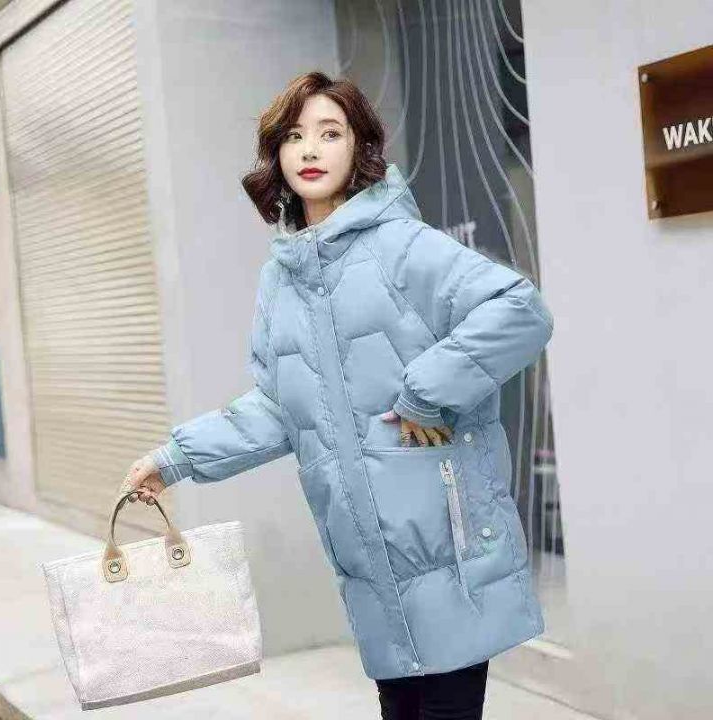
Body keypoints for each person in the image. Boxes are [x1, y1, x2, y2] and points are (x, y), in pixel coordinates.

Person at [121, 71, 553, 719]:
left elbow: (519, 310)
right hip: (371, 570)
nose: (311, 150)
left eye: (330, 133)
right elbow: (277, 409)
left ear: (360, 148)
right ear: (277, 155)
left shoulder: (400, 246)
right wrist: (175, 458)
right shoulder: (282, 279)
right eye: (295, 136)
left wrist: (425, 394)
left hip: (448, 549)